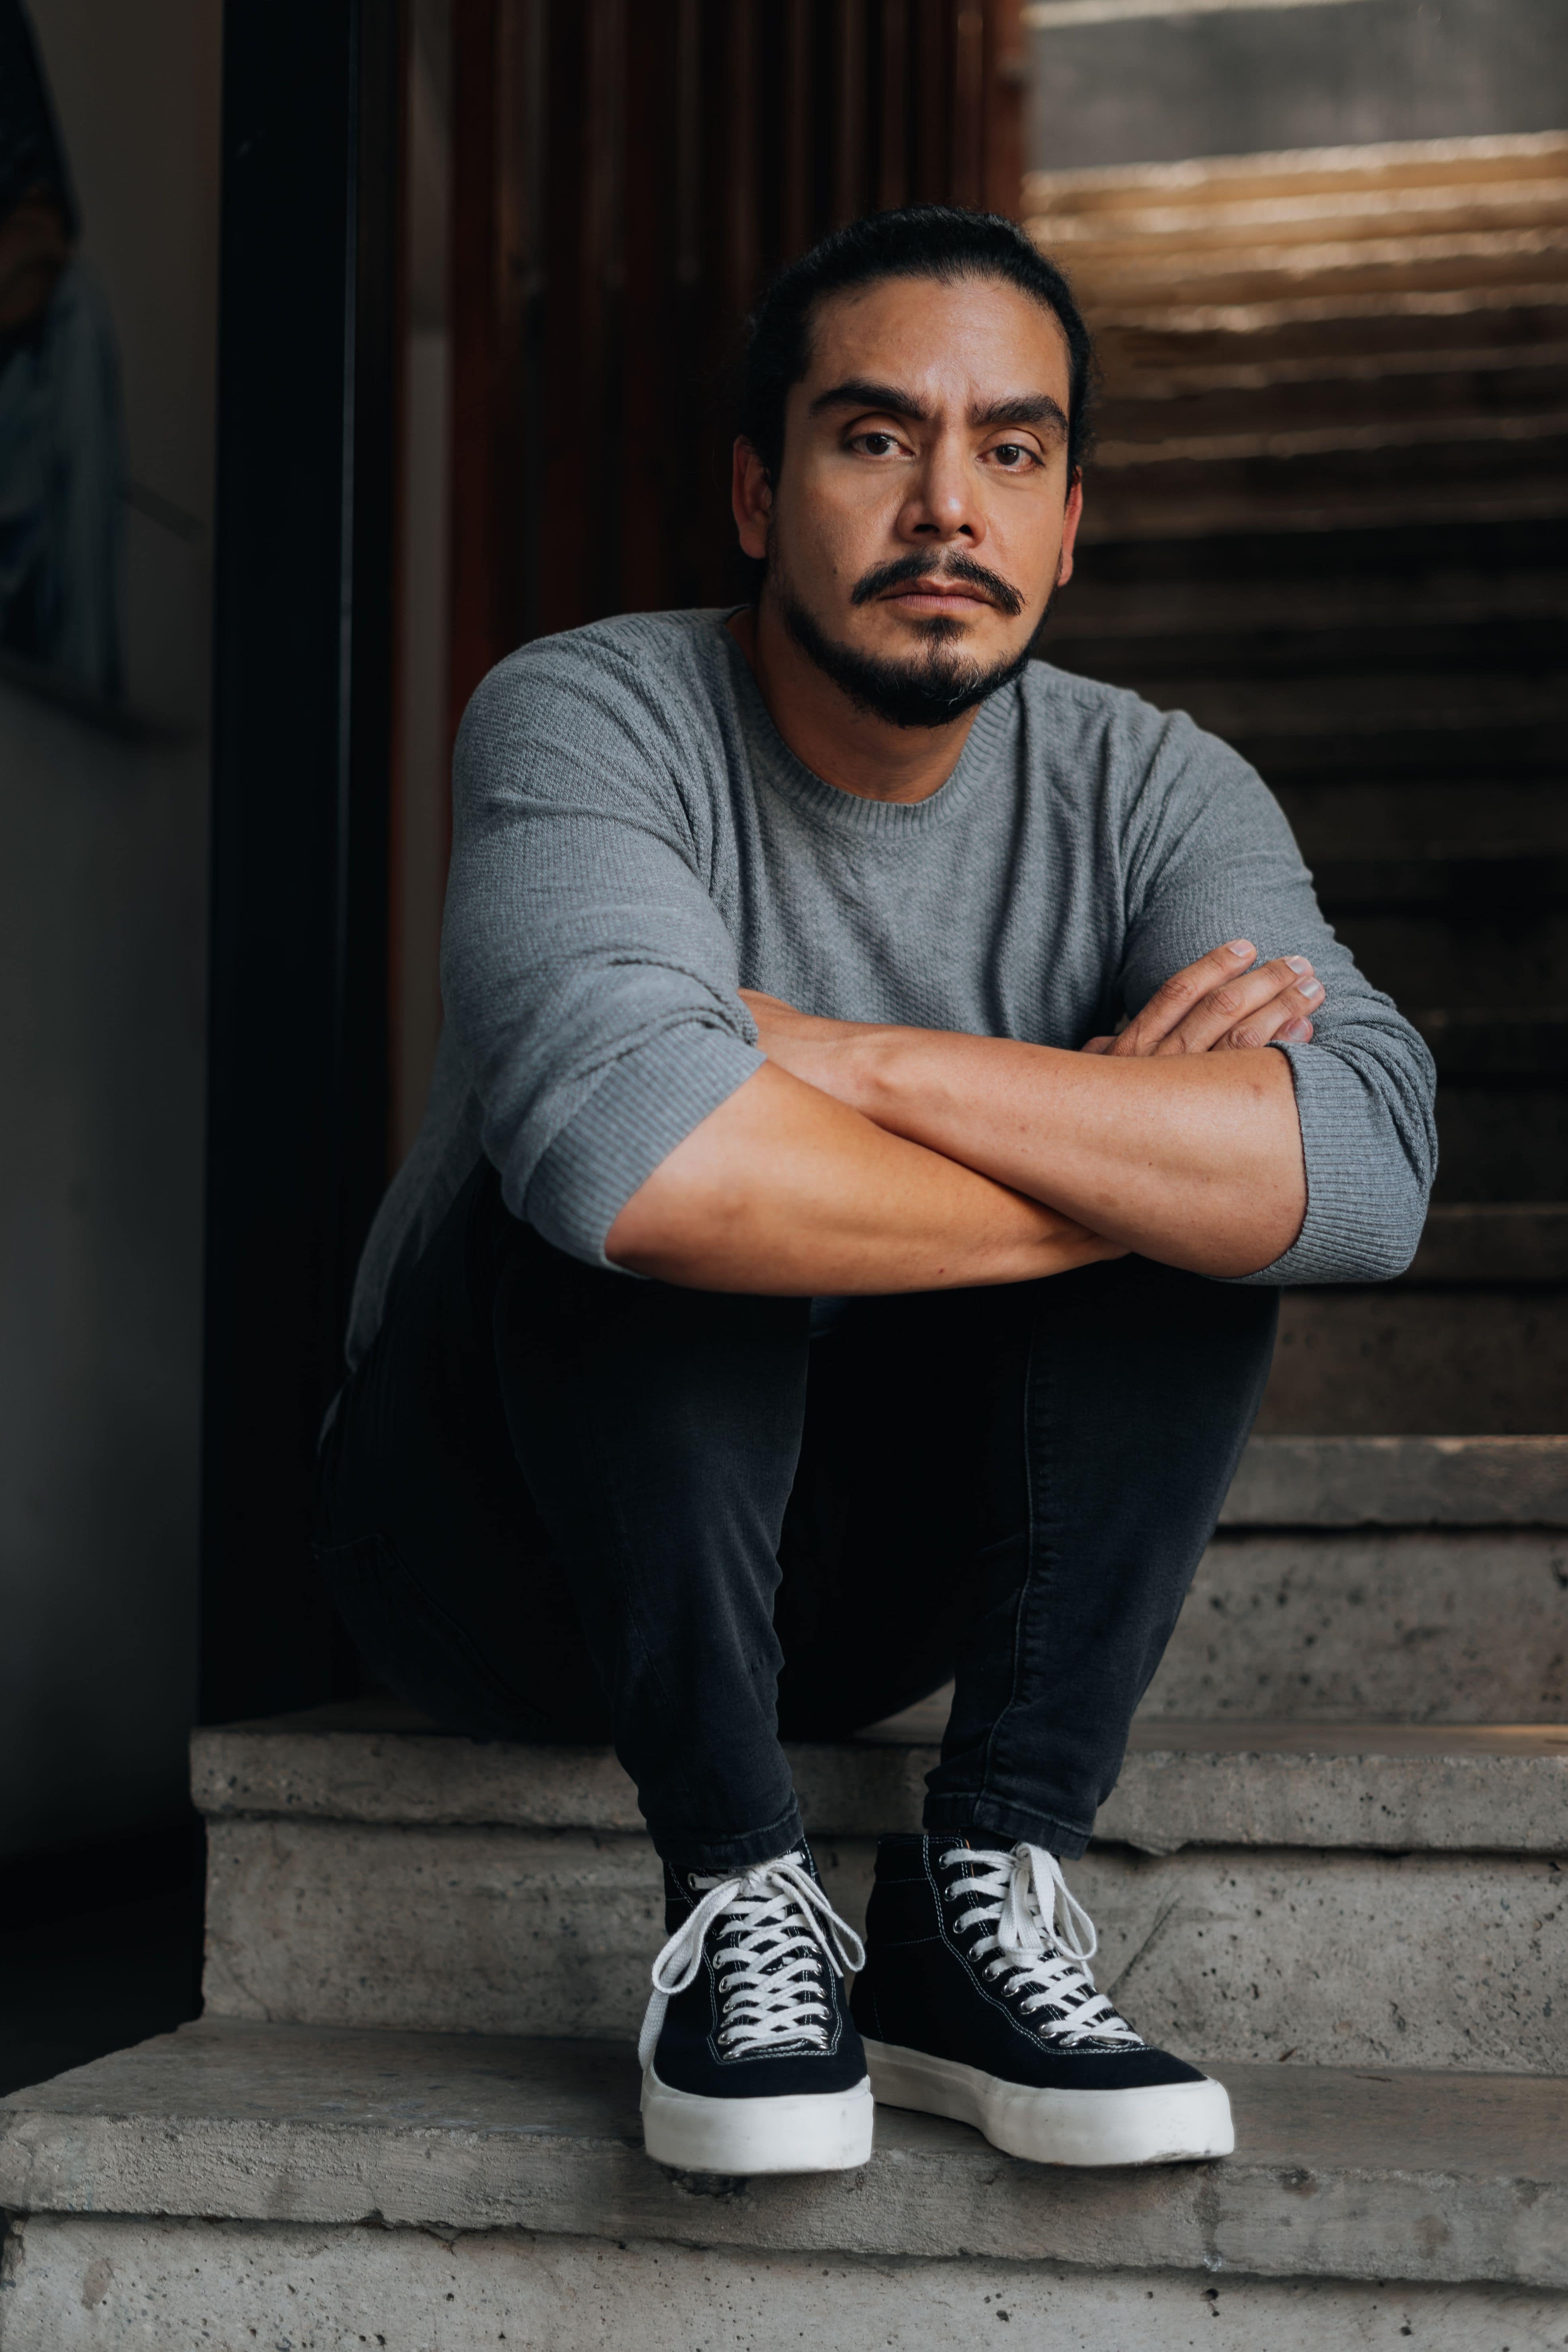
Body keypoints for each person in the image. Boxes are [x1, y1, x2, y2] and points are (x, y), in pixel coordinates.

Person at [318, 206, 1436, 2179]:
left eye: (1012, 448)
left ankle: (977, 1898)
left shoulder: (1159, 789)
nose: (947, 506)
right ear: (759, 494)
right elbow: (636, 1156)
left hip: (863, 1597)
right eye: (873, 438)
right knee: (676, 1210)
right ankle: (737, 1890)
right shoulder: (588, 713)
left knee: (1193, 1226)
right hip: (503, 1560)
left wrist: (849, 1056)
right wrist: (1120, 1138)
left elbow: (1367, 1165)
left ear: (1069, 524)